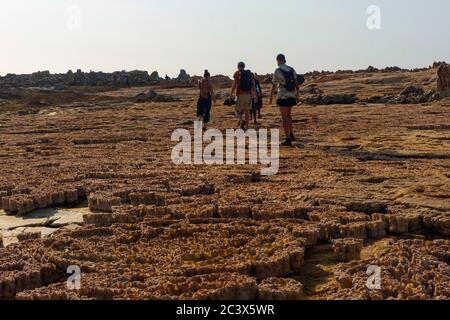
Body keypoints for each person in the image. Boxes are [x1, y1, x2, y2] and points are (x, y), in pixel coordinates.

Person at [269, 54, 299, 146]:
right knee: (289, 115)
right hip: (292, 94)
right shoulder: (291, 69)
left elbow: (274, 84)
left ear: (278, 60)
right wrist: (297, 95)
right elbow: (296, 82)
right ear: (285, 60)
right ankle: (291, 133)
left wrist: (270, 97)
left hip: (282, 95)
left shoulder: (277, 70)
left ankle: (287, 139)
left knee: (284, 117)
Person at [230, 62, 255, 130]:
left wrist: (231, 93)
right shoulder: (249, 73)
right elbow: (253, 83)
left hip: (240, 94)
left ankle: (241, 120)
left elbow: (234, 84)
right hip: (248, 95)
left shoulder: (237, 73)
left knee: (236, 110)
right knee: (247, 111)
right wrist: (254, 94)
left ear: (238, 66)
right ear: (244, 66)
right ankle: (247, 126)